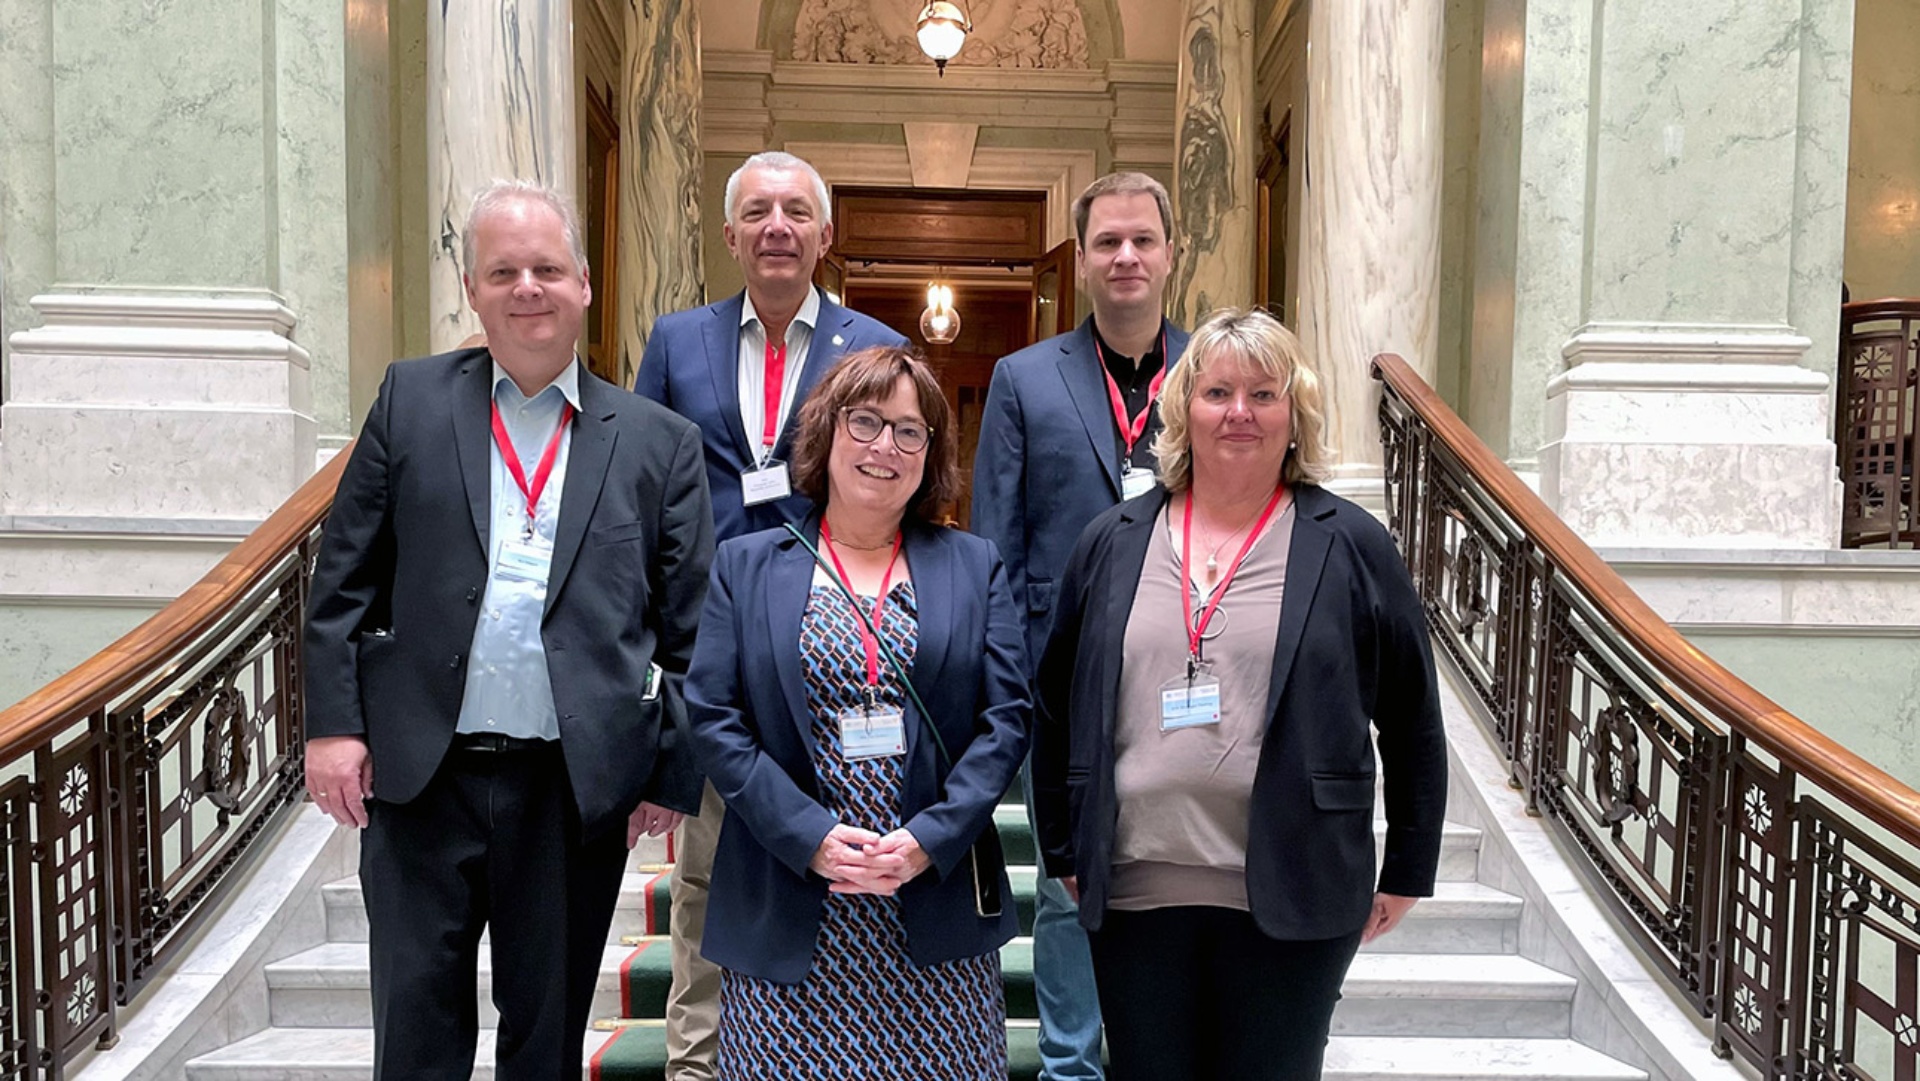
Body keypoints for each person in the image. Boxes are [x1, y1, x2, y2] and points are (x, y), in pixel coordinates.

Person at [303, 180, 713, 1080]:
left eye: (547, 269)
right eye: (503, 272)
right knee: (415, 1033)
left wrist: (667, 767)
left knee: (546, 1038)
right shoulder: (409, 401)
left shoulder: (659, 442)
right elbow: (342, 582)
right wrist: (333, 726)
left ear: (585, 284)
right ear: (472, 288)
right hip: (421, 777)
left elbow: (689, 626)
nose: (527, 287)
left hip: (570, 787)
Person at [1031, 308, 1448, 1081]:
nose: (1239, 413)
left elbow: (1412, 717)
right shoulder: (1112, 540)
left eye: (1263, 394)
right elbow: (1055, 706)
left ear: (1295, 415)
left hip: (1296, 883)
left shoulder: (1351, 543)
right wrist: (1061, 845)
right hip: (1134, 892)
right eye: (1218, 392)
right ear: (1184, 410)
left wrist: (1408, 863)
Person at [635, 150, 907, 1081]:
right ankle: (698, 1064)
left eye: (796, 211)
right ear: (730, 234)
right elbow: (645, 499)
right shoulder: (677, 343)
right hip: (717, 653)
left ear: (826, 235)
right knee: (706, 875)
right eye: (757, 211)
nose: (777, 227)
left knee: (844, 864)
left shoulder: (874, 346)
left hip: (839, 649)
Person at [685, 346, 1029, 1080]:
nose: (884, 447)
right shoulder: (747, 566)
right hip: (789, 901)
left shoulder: (975, 565)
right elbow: (713, 715)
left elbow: (1006, 718)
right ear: (827, 430)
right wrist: (806, 834)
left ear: (931, 452)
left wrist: (929, 839)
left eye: (909, 431)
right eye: (865, 421)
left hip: (932, 910)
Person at [970, 171, 1190, 1079]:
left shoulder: (1213, 376)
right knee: (1066, 885)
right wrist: (1008, 681)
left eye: (1143, 239)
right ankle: (1070, 1066)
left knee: (1179, 883)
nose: (1126, 256)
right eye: (1107, 242)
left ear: (1172, 254)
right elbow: (996, 543)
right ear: (1083, 262)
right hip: (1061, 686)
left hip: (1190, 676)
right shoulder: (1023, 379)